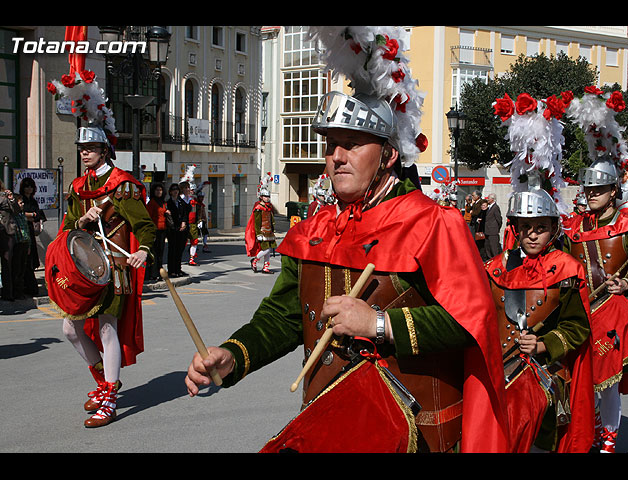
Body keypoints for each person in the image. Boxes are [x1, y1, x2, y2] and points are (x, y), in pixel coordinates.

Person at [185, 26, 509, 453]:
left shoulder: (434, 224)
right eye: (332, 144)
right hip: (329, 420)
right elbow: (284, 317)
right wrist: (235, 354)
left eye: (352, 144)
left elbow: (472, 323)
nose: (337, 157)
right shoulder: (312, 229)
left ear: (389, 154)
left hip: (413, 433)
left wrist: (378, 324)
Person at [46, 70, 156, 428]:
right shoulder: (79, 187)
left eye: (91, 148)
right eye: (82, 149)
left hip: (116, 268)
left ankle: (109, 397)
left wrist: (145, 252)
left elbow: (145, 227)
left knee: (107, 328)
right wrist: (82, 221)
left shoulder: (122, 185)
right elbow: (68, 229)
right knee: (69, 328)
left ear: (104, 149)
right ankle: (103, 380)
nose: (85, 154)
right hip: (86, 268)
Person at [487, 94, 593, 452]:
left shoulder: (567, 270)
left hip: (545, 373)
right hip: (497, 369)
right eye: (526, 226)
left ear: (553, 228)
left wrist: (545, 343)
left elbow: (578, 327)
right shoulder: (496, 268)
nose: (532, 233)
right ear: (515, 227)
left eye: (541, 227)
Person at [563, 87, 628, 452]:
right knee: (582, 374)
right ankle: (589, 426)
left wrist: (626, 283)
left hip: (614, 309)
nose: (591, 194)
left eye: (599, 189)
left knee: (607, 377)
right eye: (589, 189)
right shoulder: (575, 226)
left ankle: (609, 431)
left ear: (614, 191)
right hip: (582, 308)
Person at [19, 177, 46, 296]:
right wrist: (31, 215)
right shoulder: (21, 200)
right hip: (22, 230)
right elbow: (21, 215)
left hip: (31, 230)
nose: (29, 189)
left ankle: (29, 286)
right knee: (25, 257)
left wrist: (32, 215)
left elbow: (37, 215)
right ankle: (26, 286)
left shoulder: (33, 201)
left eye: (30, 186)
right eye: (26, 186)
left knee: (32, 257)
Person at [245, 174, 277, 274]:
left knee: (269, 250)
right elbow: (256, 222)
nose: (267, 198)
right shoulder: (258, 208)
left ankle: (265, 267)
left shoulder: (269, 207)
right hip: (262, 232)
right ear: (261, 197)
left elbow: (271, 219)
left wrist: (273, 228)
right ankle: (254, 260)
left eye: (268, 196)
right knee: (266, 249)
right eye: (265, 196)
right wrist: (258, 233)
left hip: (269, 231)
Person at [145, 182, 168, 282]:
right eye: (157, 190)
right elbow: (149, 217)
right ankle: (153, 274)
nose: (159, 192)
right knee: (154, 252)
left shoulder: (163, 202)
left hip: (162, 230)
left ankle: (159, 272)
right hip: (154, 230)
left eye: (160, 190)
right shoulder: (152, 203)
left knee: (160, 252)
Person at [166, 183, 189, 278]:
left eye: (177, 190)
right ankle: (171, 270)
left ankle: (178, 269)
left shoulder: (181, 201)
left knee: (180, 250)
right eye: (173, 190)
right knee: (172, 250)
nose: (175, 192)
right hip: (172, 229)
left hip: (181, 229)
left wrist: (183, 222)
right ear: (170, 192)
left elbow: (185, 212)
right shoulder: (168, 203)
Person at [11, 194, 32, 300]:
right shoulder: (13, 216)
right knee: (17, 268)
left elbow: (27, 231)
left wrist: (29, 245)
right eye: (20, 203)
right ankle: (16, 291)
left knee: (22, 268)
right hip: (18, 244)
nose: (22, 204)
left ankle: (20, 290)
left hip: (24, 243)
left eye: (22, 202)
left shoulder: (22, 215)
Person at [0, 183, 18, 301]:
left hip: (6, 233)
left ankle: (8, 293)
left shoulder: (6, 197)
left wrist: (11, 199)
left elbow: (16, 210)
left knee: (7, 263)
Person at [484, 193, 503, 258]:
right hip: (487, 231)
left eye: (488, 198)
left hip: (493, 232)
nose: (487, 200)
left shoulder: (495, 207)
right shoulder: (489, 207)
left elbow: (499, 219)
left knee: (494, 248)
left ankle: (496, 262)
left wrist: (497, 228)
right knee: (488, 247)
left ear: (492, 199)